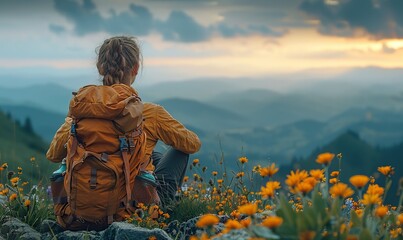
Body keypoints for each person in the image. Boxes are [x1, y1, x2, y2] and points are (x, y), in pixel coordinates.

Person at [47, 36, 201, 228]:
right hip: (133, 214)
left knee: (151, 154)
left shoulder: (80, 114)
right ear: (135, 68)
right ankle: (163, 208)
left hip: (79, 212)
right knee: (176, 152)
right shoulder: (149, 113)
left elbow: (53, 155)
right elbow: (193, 144)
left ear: (99, 67)